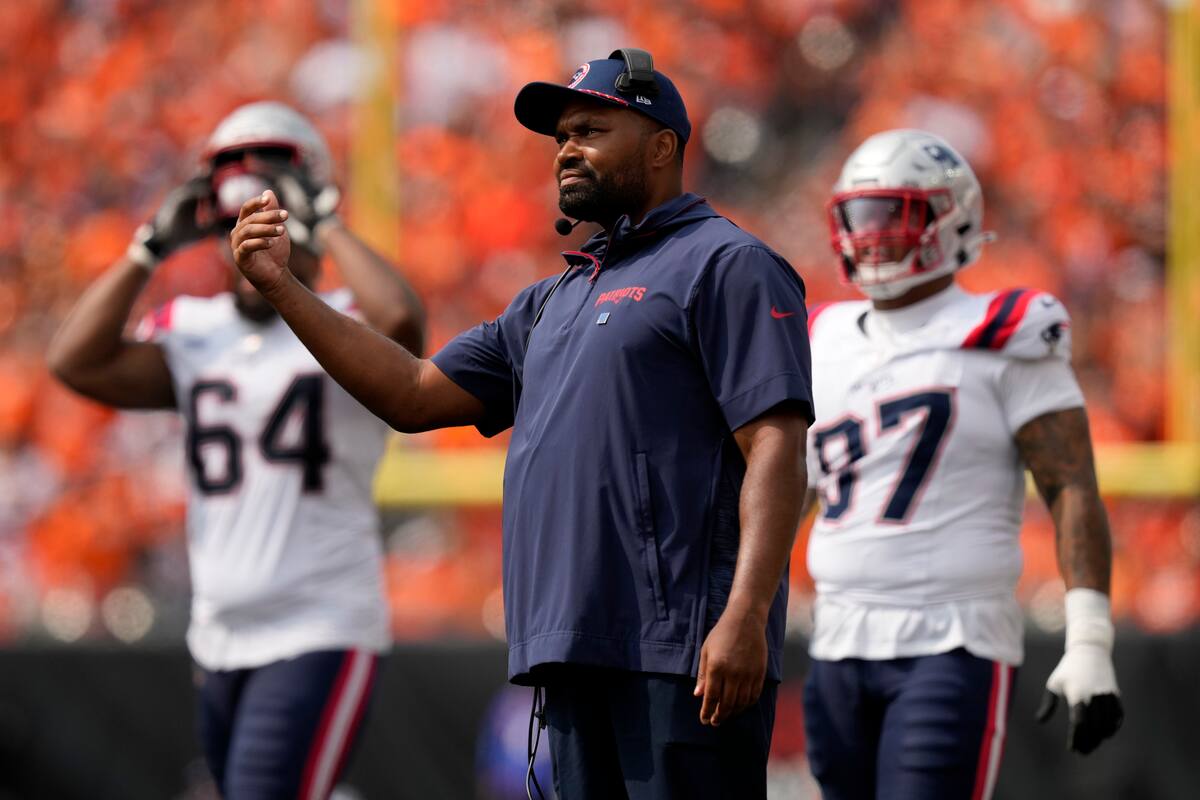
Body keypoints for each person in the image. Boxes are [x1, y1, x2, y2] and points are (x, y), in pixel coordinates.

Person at [228, 50, 813, 798]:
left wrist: (747, 615)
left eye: (592, 129)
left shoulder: (726, 263)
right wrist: (283, 289)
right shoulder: (548, 302)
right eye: (562, 135)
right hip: (572, 650)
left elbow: (775, 445)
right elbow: (411, 392)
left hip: (682, 654)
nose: (567, 148)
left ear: (663, 145)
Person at [47, 101, 426, 800]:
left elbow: (401, 320)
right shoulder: (195, 329)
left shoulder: (343, 324)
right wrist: (147, 248)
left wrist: (324, 219)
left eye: (269, 220)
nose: (243, 244)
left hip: (319, 624)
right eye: (233, 226)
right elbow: (75, 361)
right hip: (219, 635)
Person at [801, 129, 1124, 800]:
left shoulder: (1009, 329)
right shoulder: (820, 335)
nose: (872, 234)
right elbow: (790, 491)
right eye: (860, 216)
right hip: (834, 639)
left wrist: (1089, 636)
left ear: (954, 218)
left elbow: (1068, 485)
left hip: (952, 638)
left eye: (895, 212)